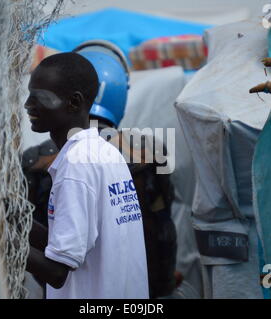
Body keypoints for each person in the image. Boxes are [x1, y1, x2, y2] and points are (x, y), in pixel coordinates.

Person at [23, 41, 178, 298]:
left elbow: (58, 272)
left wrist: (0, 239)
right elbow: (73, 240)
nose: (28, 104)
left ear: (74, 102)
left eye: (39, 97)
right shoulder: (107, 155)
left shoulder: (76, 166)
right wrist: (19, 220)